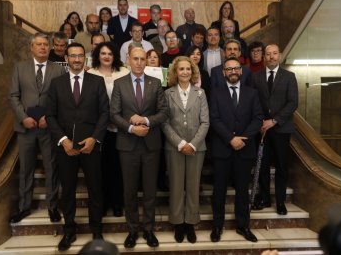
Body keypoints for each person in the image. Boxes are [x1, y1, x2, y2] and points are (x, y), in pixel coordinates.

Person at [45, 42, 109, 251]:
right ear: (67, 57)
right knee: (68, 190)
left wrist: (94, 139)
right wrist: (63, 141)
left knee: (95, 189)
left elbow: (104, 113)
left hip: (91, 146)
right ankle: (69, 230)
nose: (77, 60)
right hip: (66, 148)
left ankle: (97, 230)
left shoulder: (97, 82)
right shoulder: (56, 83)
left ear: (85, 58)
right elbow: (50, 116)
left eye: (80, 56)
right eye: (73, 56)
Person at [110, 47, 169, 249]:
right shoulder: (119, 84)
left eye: (142, 59)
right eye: (135, 58)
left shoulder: (155, 83)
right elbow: (114, 114)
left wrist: (145, 120)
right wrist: (131, 128)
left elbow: (163, 112)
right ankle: (133, 229)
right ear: (128, 60)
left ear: (146, 61)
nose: (138, 62)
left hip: (151, 145)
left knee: (150, 191)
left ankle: (149, 229)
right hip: (127, 145)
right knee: (130, 191)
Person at [9, 32, 64, 224]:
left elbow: (60, 99)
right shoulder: (19, 68)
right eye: (39, 44)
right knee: (26, 169)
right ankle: (24, 207)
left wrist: (48, 118)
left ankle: (52, 207)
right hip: (26, 128)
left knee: (52, 168)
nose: (43, 47)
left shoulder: (58, 70)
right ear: (31, 48)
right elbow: (14, 96)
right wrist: (23, 118)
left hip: (48, 128)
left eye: (45, 45)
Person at [210, 57, 263, 243]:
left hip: (245, 149)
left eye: (236, 68)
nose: (233, 71)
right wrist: (230, 138)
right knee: (219, 191)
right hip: (222, 149)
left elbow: (257, 119)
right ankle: (217, 226)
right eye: (229, 69)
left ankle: (243, 226)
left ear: (241, 71)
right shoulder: (215, 93)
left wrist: (243, 139)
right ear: (223, 72)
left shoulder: (252, 93)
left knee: (242, 190)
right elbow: (214, 119)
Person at [162, 56, 209, 244]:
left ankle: (190, 223)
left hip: (197, 148)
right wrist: (181, 144)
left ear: (193, 72)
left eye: (188, 69)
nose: (185, 72)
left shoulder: (200, 93)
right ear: (175, 72)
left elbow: (205, 122)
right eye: (181, 69)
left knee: (192, 186)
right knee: (175, 185)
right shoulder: (167, 94)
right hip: (174, 148)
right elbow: (164, 122)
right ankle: (177, 223)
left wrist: (193, 144)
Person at [251, 44, 298, 216]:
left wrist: (275, 120)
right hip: (262, 129)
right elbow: (253, 102)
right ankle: (264, 198)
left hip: (281, 129)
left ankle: (280, 201)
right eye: (268, 54)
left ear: (280, 55)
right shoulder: (256, 77)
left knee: (281, 166)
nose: (271, 57)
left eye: (274, 54)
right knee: (262, 165)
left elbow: (293, 102)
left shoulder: (289, 77)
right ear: (264, 57)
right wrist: (261, 121)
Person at [88, 42, 130, 217]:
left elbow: (129, 99)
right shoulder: (90, 73)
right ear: (98, 55)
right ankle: (104, 203)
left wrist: (119, 121)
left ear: (115, 56)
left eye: (110, 53)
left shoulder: (124, 72)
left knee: (119, 168)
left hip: (120, 127)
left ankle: (117, 203)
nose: (106, 56)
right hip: (98, 129)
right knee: (101, 168)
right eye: (103, 53)